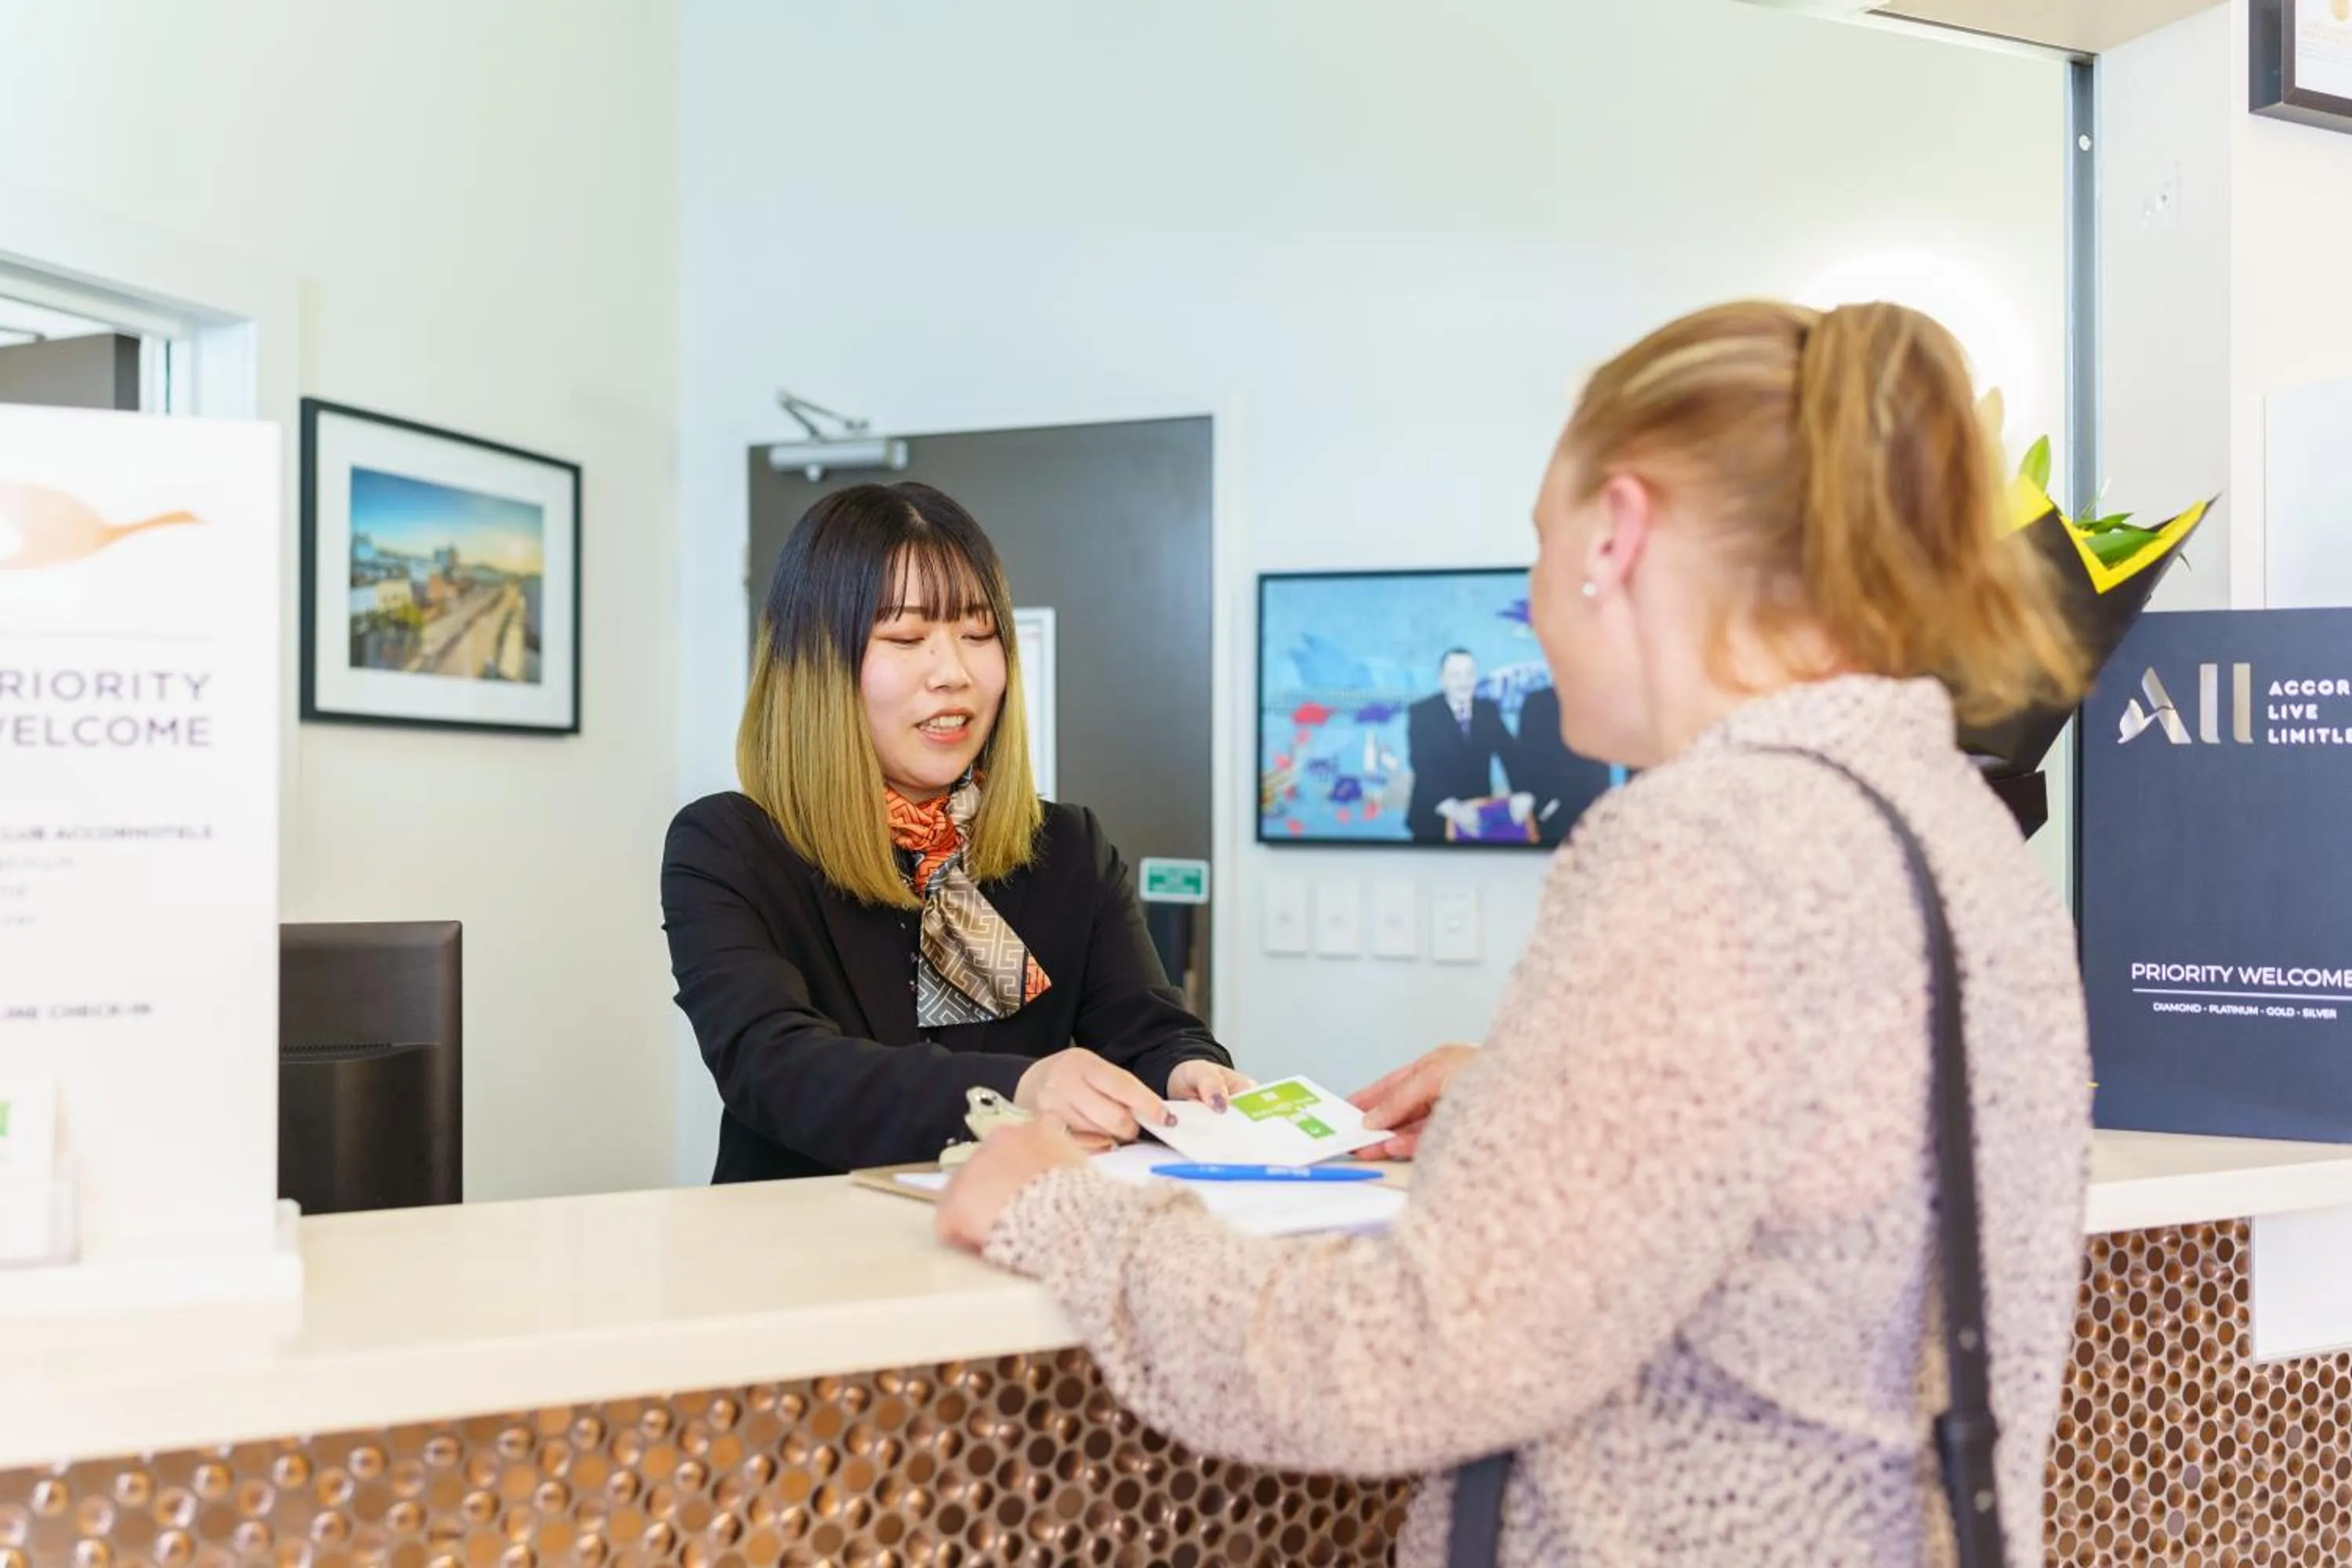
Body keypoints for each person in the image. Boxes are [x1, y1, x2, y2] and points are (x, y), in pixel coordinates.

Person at [937, 301, 2094, 1564]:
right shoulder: (1956, 826)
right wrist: (1522, 1105)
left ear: (1619, 533)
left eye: (1537, 549)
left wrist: (1063, 1216)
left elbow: (1410, 1359)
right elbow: (1820, 1165)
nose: (1533, 610)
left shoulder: (1708, 840)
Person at [662, 482, 1248, 1183]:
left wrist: (1190, 1071)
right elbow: (776, 1068)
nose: (956, 673)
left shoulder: (1065, 848)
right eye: (906, 638)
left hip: (1014, 1242)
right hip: (802, 1255)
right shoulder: (727, 847)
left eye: (978, 635)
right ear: (816, 666)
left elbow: (1148, 1029)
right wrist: (1018, 1092)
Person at [1403, 648, 1520, 840]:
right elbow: (1421, 764)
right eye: (1455, 675)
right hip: (1433, 819)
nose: (1463, 682)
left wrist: (1523, 793)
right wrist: (1452, 808)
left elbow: (1512, 755)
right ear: (1442, 679)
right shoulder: (1422, 713)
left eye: (1469, 674)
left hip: (1479, 816)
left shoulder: (1487, 710)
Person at [1510, 684, 1617, 845]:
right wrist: (1545, 807)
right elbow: (1525, 760)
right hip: (1554, 821)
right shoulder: (1538, 703)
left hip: (1599, 819)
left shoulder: (1605, 701)